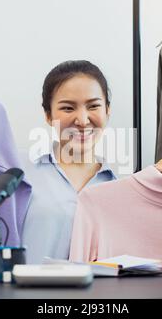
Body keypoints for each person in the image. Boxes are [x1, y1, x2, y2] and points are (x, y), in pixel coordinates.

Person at [20, 60, 116, 263]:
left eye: (93, 106)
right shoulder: (19, 175)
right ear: (48, 115)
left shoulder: (121, 186)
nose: (82, 120)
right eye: (67, 108)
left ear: (107, 110)